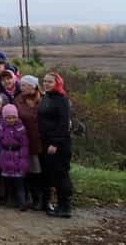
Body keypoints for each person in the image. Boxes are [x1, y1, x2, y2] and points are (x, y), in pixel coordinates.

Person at [38, 72, 72, 218]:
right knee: (52, 174)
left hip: (59, 144)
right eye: (44, 81)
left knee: (61, 175)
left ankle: (65, 207)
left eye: (50, 82)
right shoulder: (46, 97)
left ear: (57, 83)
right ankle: (55, 204)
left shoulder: (62, 100)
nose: (46, 84)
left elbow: (63, 123)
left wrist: (55, 143)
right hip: (46, 142)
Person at [15, 75, 46, 210]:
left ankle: (40, 198)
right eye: (21, 85)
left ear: (33, 86)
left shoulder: (44, 100)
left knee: (38, 171)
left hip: (40, 140)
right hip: (23, 140)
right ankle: (28, 198)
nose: (21, 88)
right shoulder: (18, 100)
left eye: (24, 85)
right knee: (26, 170)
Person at [0, 104, 30, 211]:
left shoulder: (20, 129)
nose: (11, 120)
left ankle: (22, 201)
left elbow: (24, 146)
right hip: (6, 155)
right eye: (8, 118)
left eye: (13, 117)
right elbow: (0, 142)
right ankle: (9, 199)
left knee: (19, 183)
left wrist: (23, 161)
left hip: (17, 156)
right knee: (7, 181)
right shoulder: (2, 127)